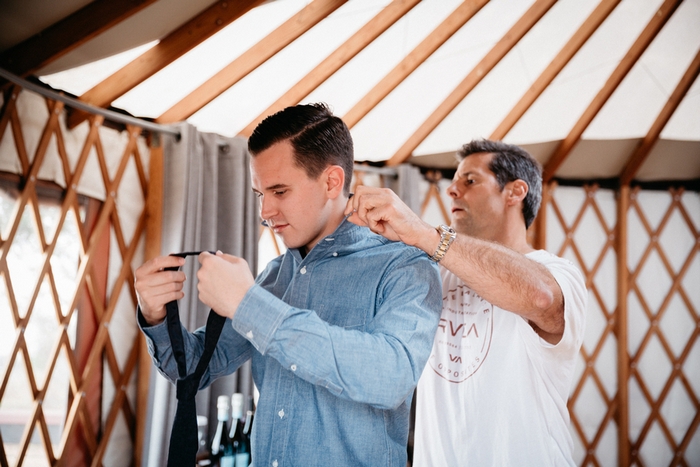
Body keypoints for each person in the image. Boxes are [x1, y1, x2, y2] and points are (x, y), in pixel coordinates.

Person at [134, 103, 442, 465]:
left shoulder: (405, 264)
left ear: (331, 182)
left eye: (279, 192)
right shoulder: (274, 276)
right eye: (259, 194)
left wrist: (250, 306)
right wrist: (155, 316)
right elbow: (192, 373)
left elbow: (390, 377)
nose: (264, 211)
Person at [346, 139, 587, 466]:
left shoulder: (557, 272)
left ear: (515, 192)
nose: (451, 191)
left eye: (469, 181)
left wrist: (427, 235)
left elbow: (540, 297)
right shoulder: (431, 272)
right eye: (454, 181)